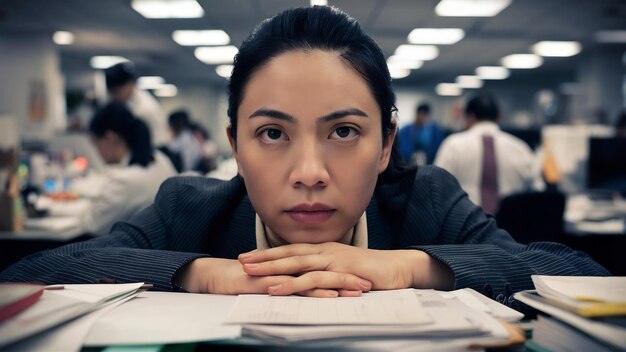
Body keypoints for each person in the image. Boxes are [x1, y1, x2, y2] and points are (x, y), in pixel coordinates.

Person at [0, 7, 608, 301]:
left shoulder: (428, 201)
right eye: (272, 134)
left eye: (344, 131)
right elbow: (25, 279)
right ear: (234, 143)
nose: (311, 174)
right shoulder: (189, 207)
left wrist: (408, 268)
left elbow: (584, 277)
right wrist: (204, 273)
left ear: (385, 145)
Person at [47, 102, 177, 235]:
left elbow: (93, 224)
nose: (96, 150)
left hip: (138, 251)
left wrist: (49, 208)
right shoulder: (160, 159)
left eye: (95, 143)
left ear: (110, 138)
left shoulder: (125, 181)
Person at [434, 94, 542, 214]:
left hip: (464, 227)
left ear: (469, 116)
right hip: (513, 228)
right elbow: (538, 191)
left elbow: (436, 189)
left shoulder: (452, 145)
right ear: (499, 116)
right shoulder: (521, 148)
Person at [105, 62, 170, 146]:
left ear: (130, 84)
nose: (115, 97)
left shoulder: (145, 108)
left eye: (116, 92)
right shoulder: (124, 102)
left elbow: (156, 143)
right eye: (111, 93)